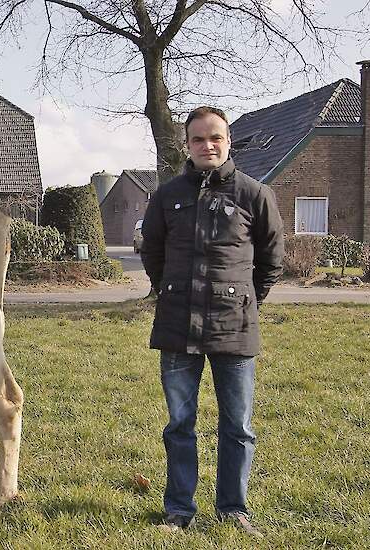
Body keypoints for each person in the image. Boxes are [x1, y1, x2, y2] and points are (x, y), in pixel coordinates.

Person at [139, 106, 284, 537]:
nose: (207, 145)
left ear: (228, 141)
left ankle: (233, 510)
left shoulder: (255, 194)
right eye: (198, 139)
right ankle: (179, 511)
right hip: (177, 325)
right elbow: (153, 254)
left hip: (235, 329)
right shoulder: (166, 195)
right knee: (179, 425)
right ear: (187, 145)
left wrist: (245, 302)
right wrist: (173, 290)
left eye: (215, 137)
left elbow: (271, 260)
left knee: (237, 427)